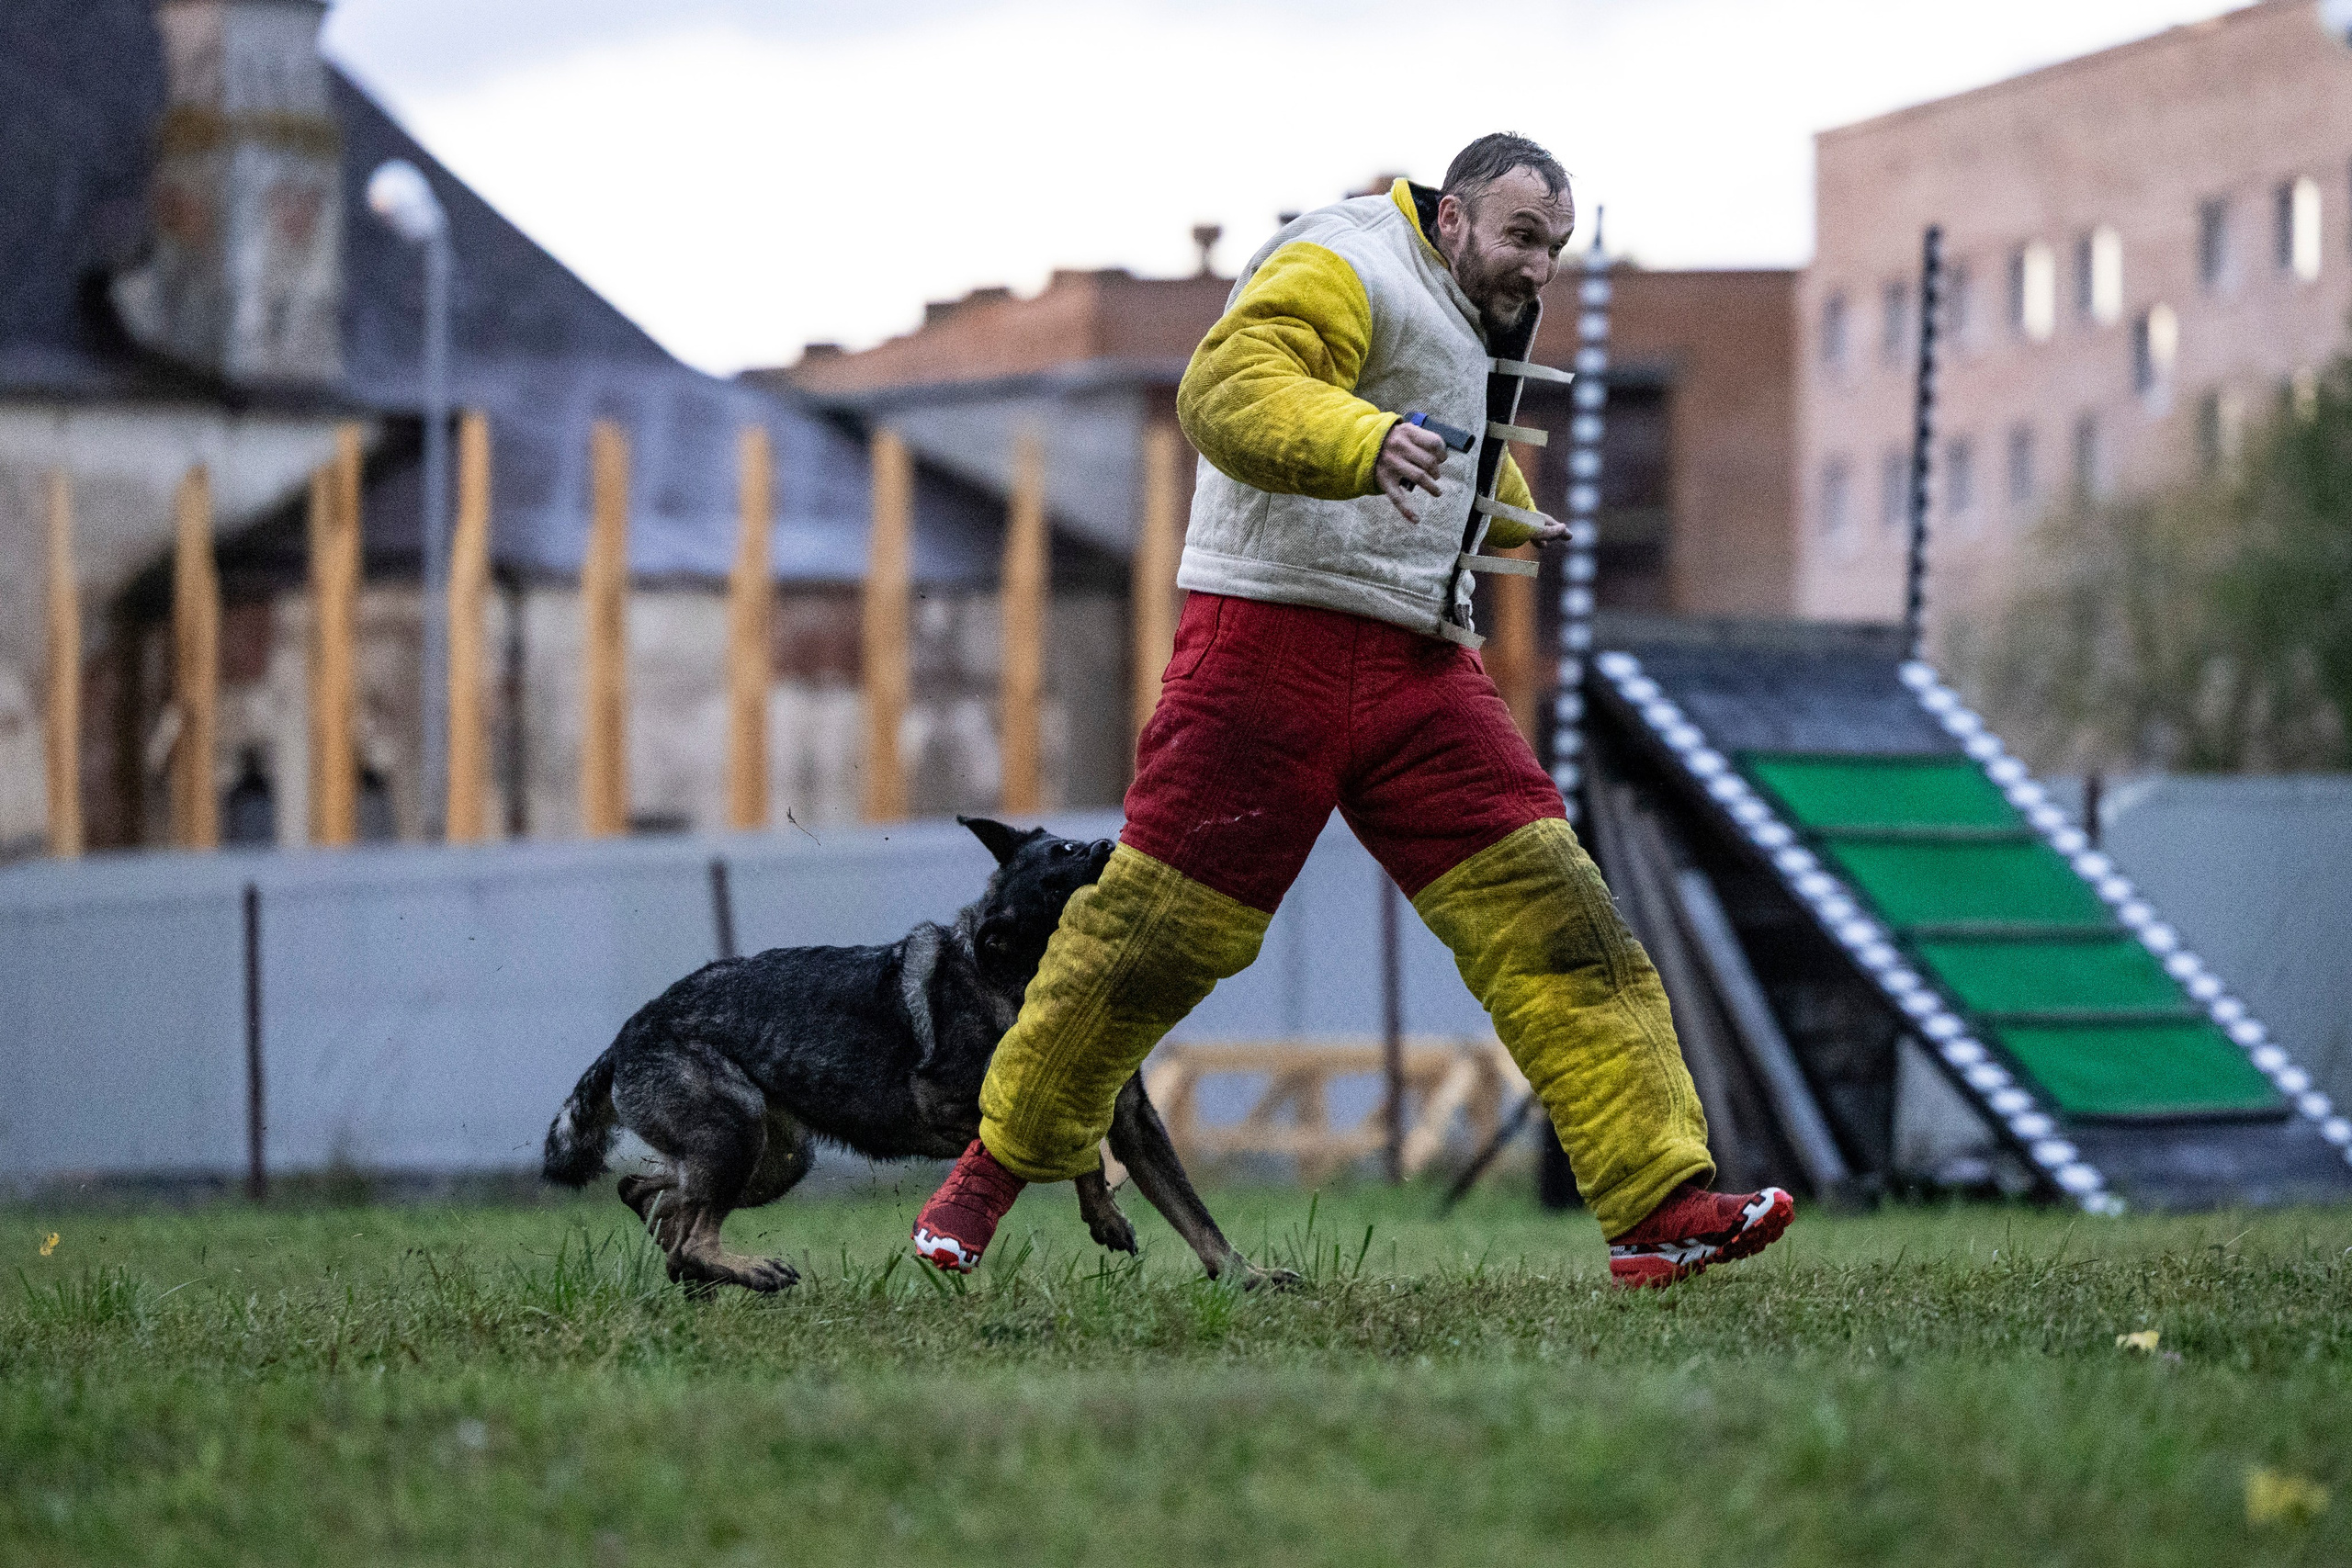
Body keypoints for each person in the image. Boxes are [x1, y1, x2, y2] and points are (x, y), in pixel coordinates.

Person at [912, 132, 1792, 1289]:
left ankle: (1656, 1209)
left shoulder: (1467, 309)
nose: (1540, 269)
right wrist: (1360, 442)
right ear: (1454, 215)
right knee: (1149, 944)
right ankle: (984, 1178)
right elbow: (1228, 389)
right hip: (1265, 650)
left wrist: (1508, 514)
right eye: (1524, 238)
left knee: (1555, 913)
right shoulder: (1339, 255)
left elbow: (1436, 433)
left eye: (1557, 250)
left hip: (1422, 664)